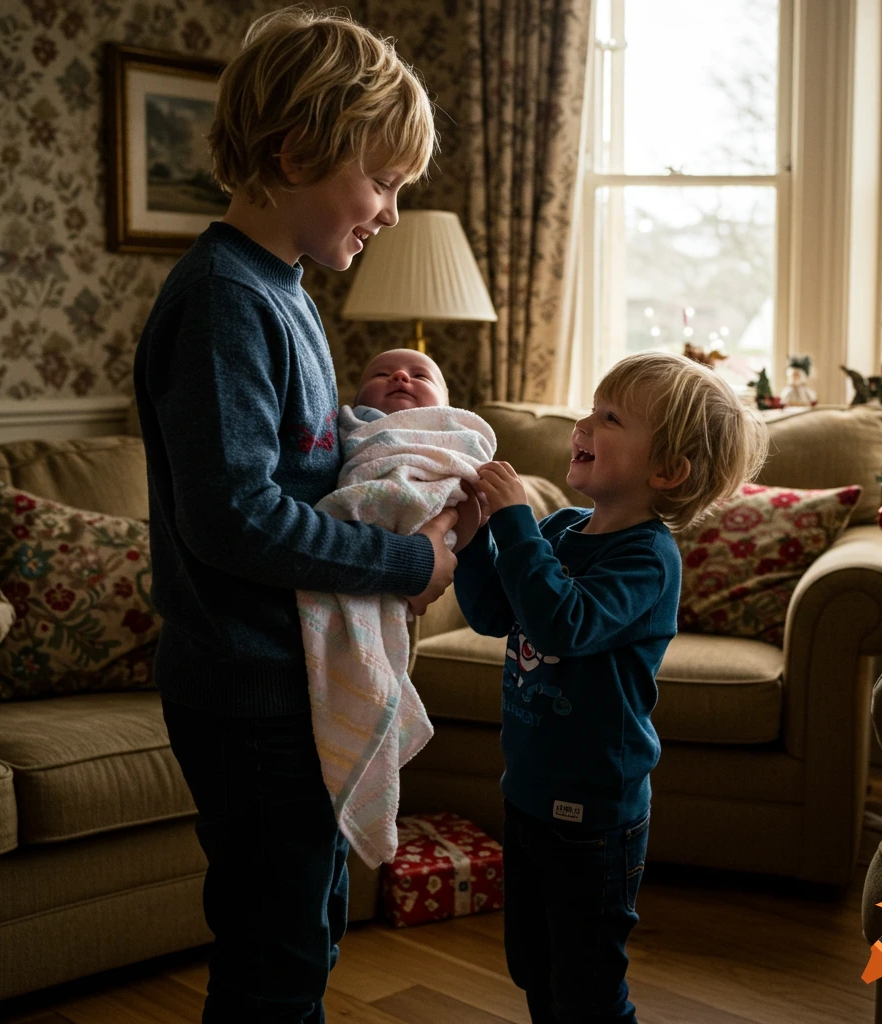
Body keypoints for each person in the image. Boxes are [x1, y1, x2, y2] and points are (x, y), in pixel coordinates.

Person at [132, 9, 453, 1022]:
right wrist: (408, 563)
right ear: (297, 152)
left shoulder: (284, 291)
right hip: (244, 688)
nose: (392, 213)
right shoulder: (227, 299)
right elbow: (234, 516)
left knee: (305, 930)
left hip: (281, 681)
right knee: (274, 955)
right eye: (384, 182)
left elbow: (306, 471)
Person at [454, 351, 768, 1024]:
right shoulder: (561, 530)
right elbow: (492, 613)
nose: (584, 422)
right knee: (532, 966)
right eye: (591, 407)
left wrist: (513, 521)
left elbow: (562, 623)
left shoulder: (647, 560)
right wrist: (477, 536)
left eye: (610, 416)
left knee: (588, 984)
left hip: (594, 814)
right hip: (527, 793)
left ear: (667, 471)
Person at [297, 348, 493, 870]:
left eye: (420, 374)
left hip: (402, 550)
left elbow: (466, 496)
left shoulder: (450, 435)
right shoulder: (352, 431)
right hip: (361, 540)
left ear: (446, 406)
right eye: (379, 374)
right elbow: (345, 487)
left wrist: (445, 519)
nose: (399, 376)